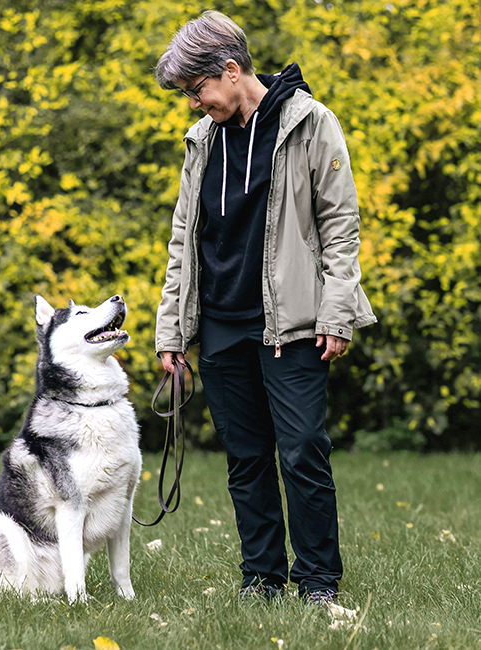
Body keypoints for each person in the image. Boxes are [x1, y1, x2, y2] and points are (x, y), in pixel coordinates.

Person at [153, 11, 377, 605]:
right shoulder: (202, 142)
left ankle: (318, 582)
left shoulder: (311, 123)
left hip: (293, 323)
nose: (196, 105)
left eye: (198, 91)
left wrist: (337, 314)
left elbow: (340, 225)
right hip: (222, 326)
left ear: (230, 71)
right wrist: (171, 330)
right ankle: (262, 579)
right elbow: (184, 237)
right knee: (247, 460)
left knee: (303, 450)